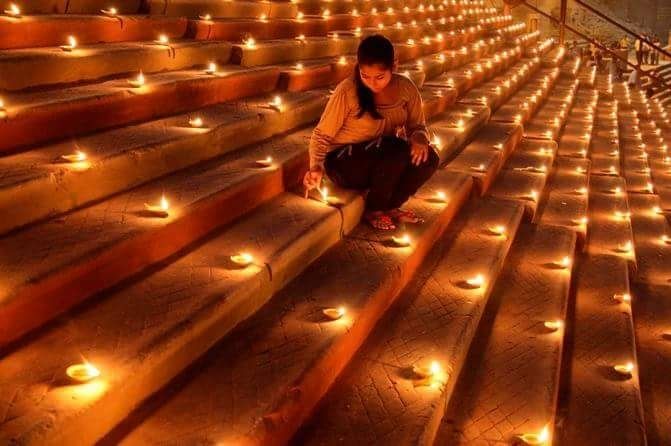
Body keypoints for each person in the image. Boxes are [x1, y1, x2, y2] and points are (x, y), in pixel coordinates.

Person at [303, 34, 439, 230]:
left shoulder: (406, 89)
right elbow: (321, 135)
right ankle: (374, 209)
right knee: (396, 148)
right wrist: (316, 166)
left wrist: (419, 139)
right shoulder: (347, 91)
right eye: (365, 76)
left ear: (394, 66)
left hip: (385, 158)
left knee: (429, 159)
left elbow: (418, 127)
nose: (372, 83)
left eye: (379, 77)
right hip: (344, 163)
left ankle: (391, 206)